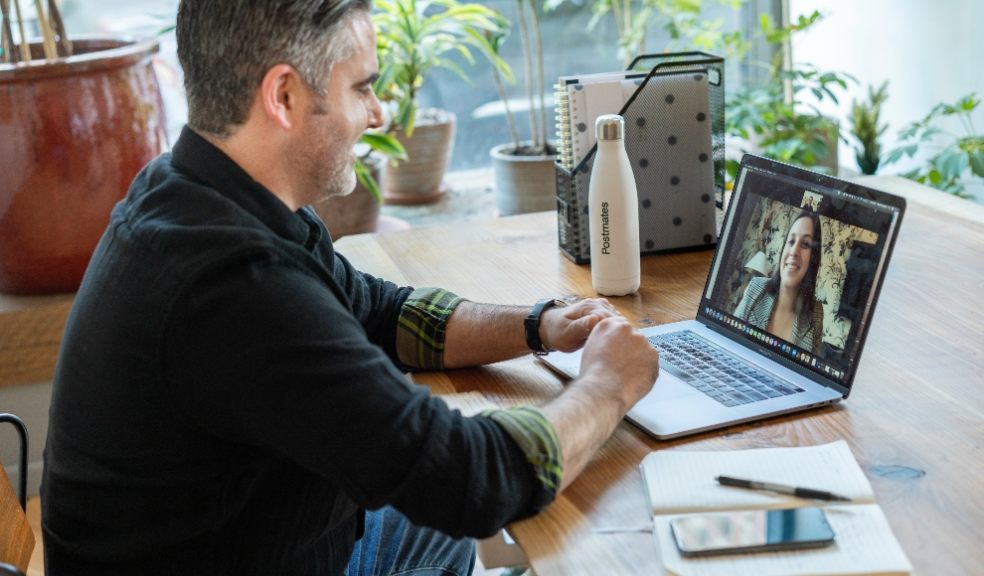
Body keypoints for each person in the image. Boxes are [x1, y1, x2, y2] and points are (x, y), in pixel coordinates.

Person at [40, 1, 661, 574]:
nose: (379, 112)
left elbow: (382, 314)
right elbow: (472, 481)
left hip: (255, 542)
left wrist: (538, 324)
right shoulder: (234, 287)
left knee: (444, 529)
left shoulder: (201, 192)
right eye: (362, 86)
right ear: (283, 94)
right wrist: (610, 384)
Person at [734, 210, 825, 353]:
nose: (794, 251)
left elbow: (809, 368)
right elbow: (729, 338)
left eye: (806, 244)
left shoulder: (816, 313)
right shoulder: (756, 287)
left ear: (813, 258)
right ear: (783, 249)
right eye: (791, 241)